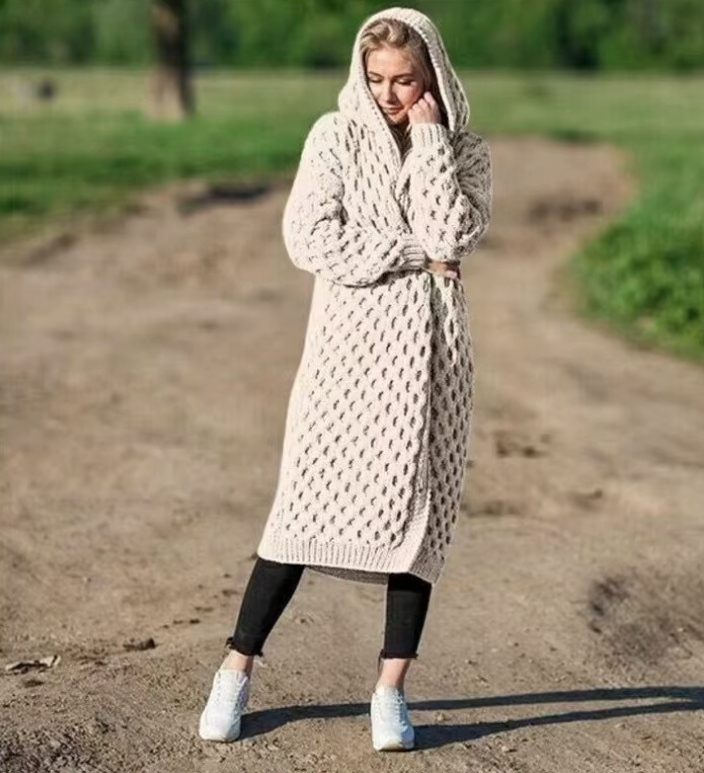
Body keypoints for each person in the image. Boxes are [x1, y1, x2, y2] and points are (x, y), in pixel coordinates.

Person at [198, 6, 492, 752]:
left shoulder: (464, 149)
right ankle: (235, 669)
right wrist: (412, 255)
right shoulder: (333, 135)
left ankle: (390, 691)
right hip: (347, 359)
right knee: (300, 509)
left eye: (405, 80)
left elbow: (454, 234)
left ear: (433, 76)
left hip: (434, 359)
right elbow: (309, 238)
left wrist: (431, 142)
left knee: (420, 522)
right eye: (376, 78)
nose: (389, 94)